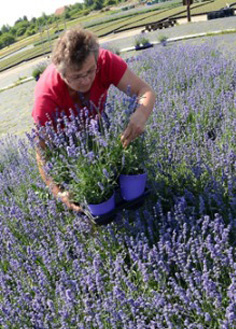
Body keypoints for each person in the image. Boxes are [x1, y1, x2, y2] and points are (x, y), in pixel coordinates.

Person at [32, 27, 156, 212]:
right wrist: (59, 193)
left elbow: (145, 91)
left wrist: (141, 114)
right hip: (66, 144)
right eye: (76, 77)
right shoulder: (46, 97)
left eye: (91, 71)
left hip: (96, 126)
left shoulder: (104, 61)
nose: (86, 80)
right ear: (62, 73)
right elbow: (42, 153)